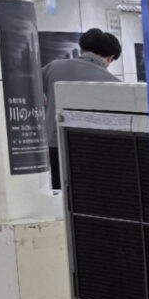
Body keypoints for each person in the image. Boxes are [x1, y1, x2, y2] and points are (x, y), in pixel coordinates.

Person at [42, 29, 122, 185]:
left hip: (51, 146)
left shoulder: (52, 67)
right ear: (110, 58)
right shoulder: (114, 83)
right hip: (88, 151)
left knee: (54, 192)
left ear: (82, 49)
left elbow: (31, 94)